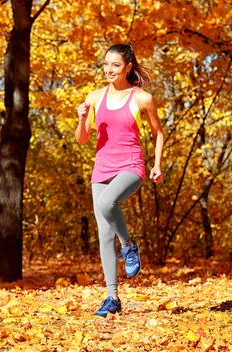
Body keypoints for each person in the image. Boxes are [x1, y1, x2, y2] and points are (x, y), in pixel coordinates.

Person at [75, 43, 164, 317]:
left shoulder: (142, 99)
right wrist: (81, 119)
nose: (109, 70)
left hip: (131, 166)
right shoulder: (94, 97)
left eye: (115, 65)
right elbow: (83, 139)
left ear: (127, 67)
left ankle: (127, 246)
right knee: (103, 235)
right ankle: (112, 297)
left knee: (106, 203)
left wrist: (157, 165)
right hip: (102, 168)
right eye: (106, 64)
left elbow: (158, 133)